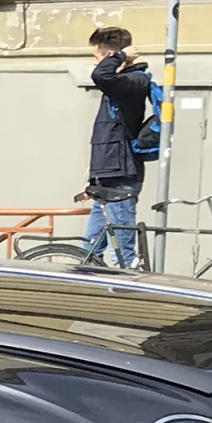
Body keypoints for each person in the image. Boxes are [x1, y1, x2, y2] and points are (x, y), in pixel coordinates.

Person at [78, 27, 153, 269]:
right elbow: (106, 134)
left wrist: (119, 57)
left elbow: (101, 75)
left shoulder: (133, 82)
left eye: (97, 57)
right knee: (88, 252)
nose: (95, 62)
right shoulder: (118, 84)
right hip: (107, 178)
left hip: (122, 177)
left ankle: (128, 299)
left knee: (123, 256)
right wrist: (93, 178)